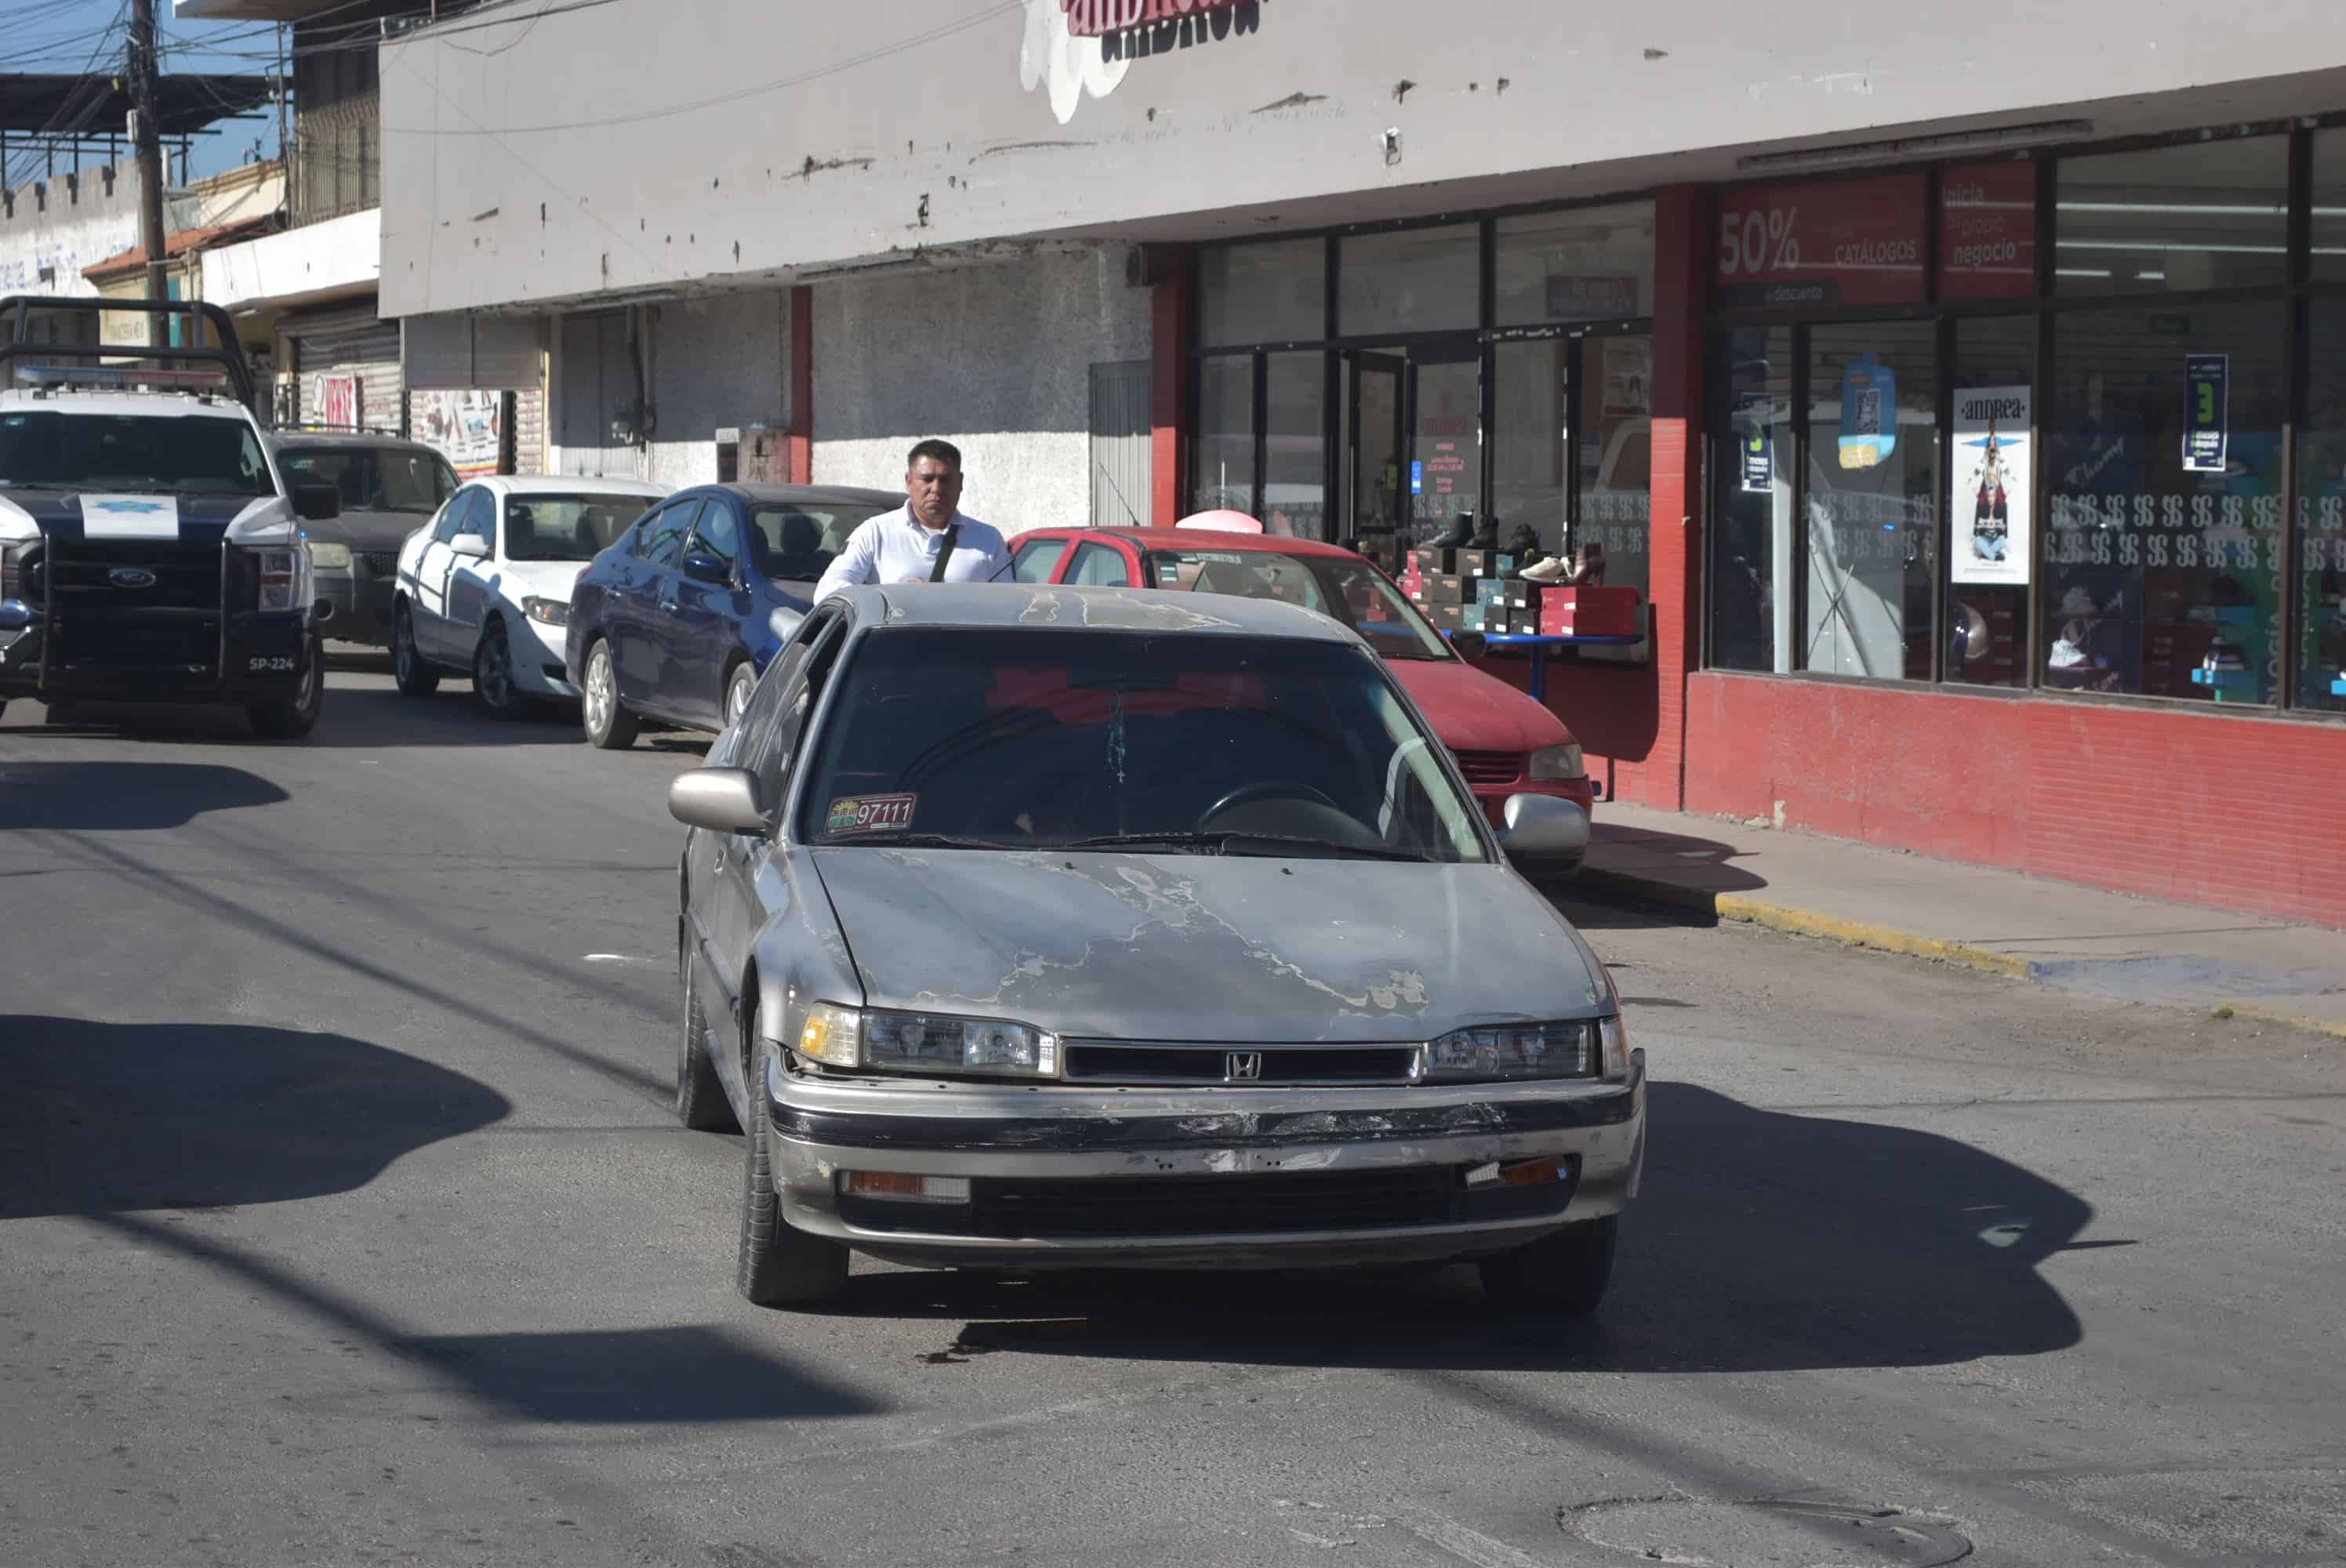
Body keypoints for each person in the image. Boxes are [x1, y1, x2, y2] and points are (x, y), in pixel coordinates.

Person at [813, 438, 1011, 602]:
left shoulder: (988, 539)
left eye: (945, 480)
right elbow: (828, 592)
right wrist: (891, 596)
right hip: (894, 648)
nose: (936, 489)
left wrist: (953, 602)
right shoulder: (876, 533)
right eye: (927, 479)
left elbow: (1010, 606)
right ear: (909, 481)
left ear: (960, 483)